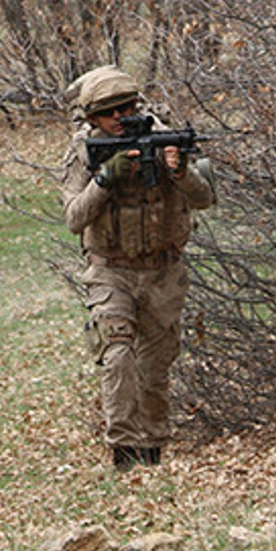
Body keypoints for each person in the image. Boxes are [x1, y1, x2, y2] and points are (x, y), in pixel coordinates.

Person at [59, 67, 214, 471]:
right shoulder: (85, 151)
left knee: (155, 367)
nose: (120, 118)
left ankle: (153, 449)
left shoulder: (163, 137)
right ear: (93, 117)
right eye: (110, 112)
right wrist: (105, 179)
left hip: (163, 271)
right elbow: (74, 218)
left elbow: (204, 198)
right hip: (110, 271)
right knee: (117, 356)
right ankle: (124, 452)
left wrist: (179, 172)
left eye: (127, 108)